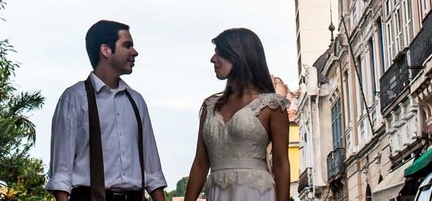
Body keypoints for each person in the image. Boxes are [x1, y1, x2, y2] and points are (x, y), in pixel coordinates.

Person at [48, 20, 168, 201]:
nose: (134, 52)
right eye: (127, 45)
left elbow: (153, 172)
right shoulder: (74, 98)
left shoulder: (136, 101)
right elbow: (61, 173)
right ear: (105, 50)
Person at [182, 29, 290, 201]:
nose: (213, 59)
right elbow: (200, 163)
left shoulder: (273, 106)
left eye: (220, 53)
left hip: (256, 194)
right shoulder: (210, 106)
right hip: (218, 194)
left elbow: (281, 164)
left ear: (239, 55)